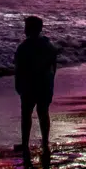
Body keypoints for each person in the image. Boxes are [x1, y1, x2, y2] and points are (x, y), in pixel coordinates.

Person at [13, 15, 58, 155]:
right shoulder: (49, 45)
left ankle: (25, 144)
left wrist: (18, 84)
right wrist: (51, 81)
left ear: (29, 29)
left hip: (29, 85)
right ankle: (45, 141)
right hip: (45, 84)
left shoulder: (24, 47)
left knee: (26, 114)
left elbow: (19, 69)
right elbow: (53, 67)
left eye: (26, 27)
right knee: (43, 112)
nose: (24, 29)